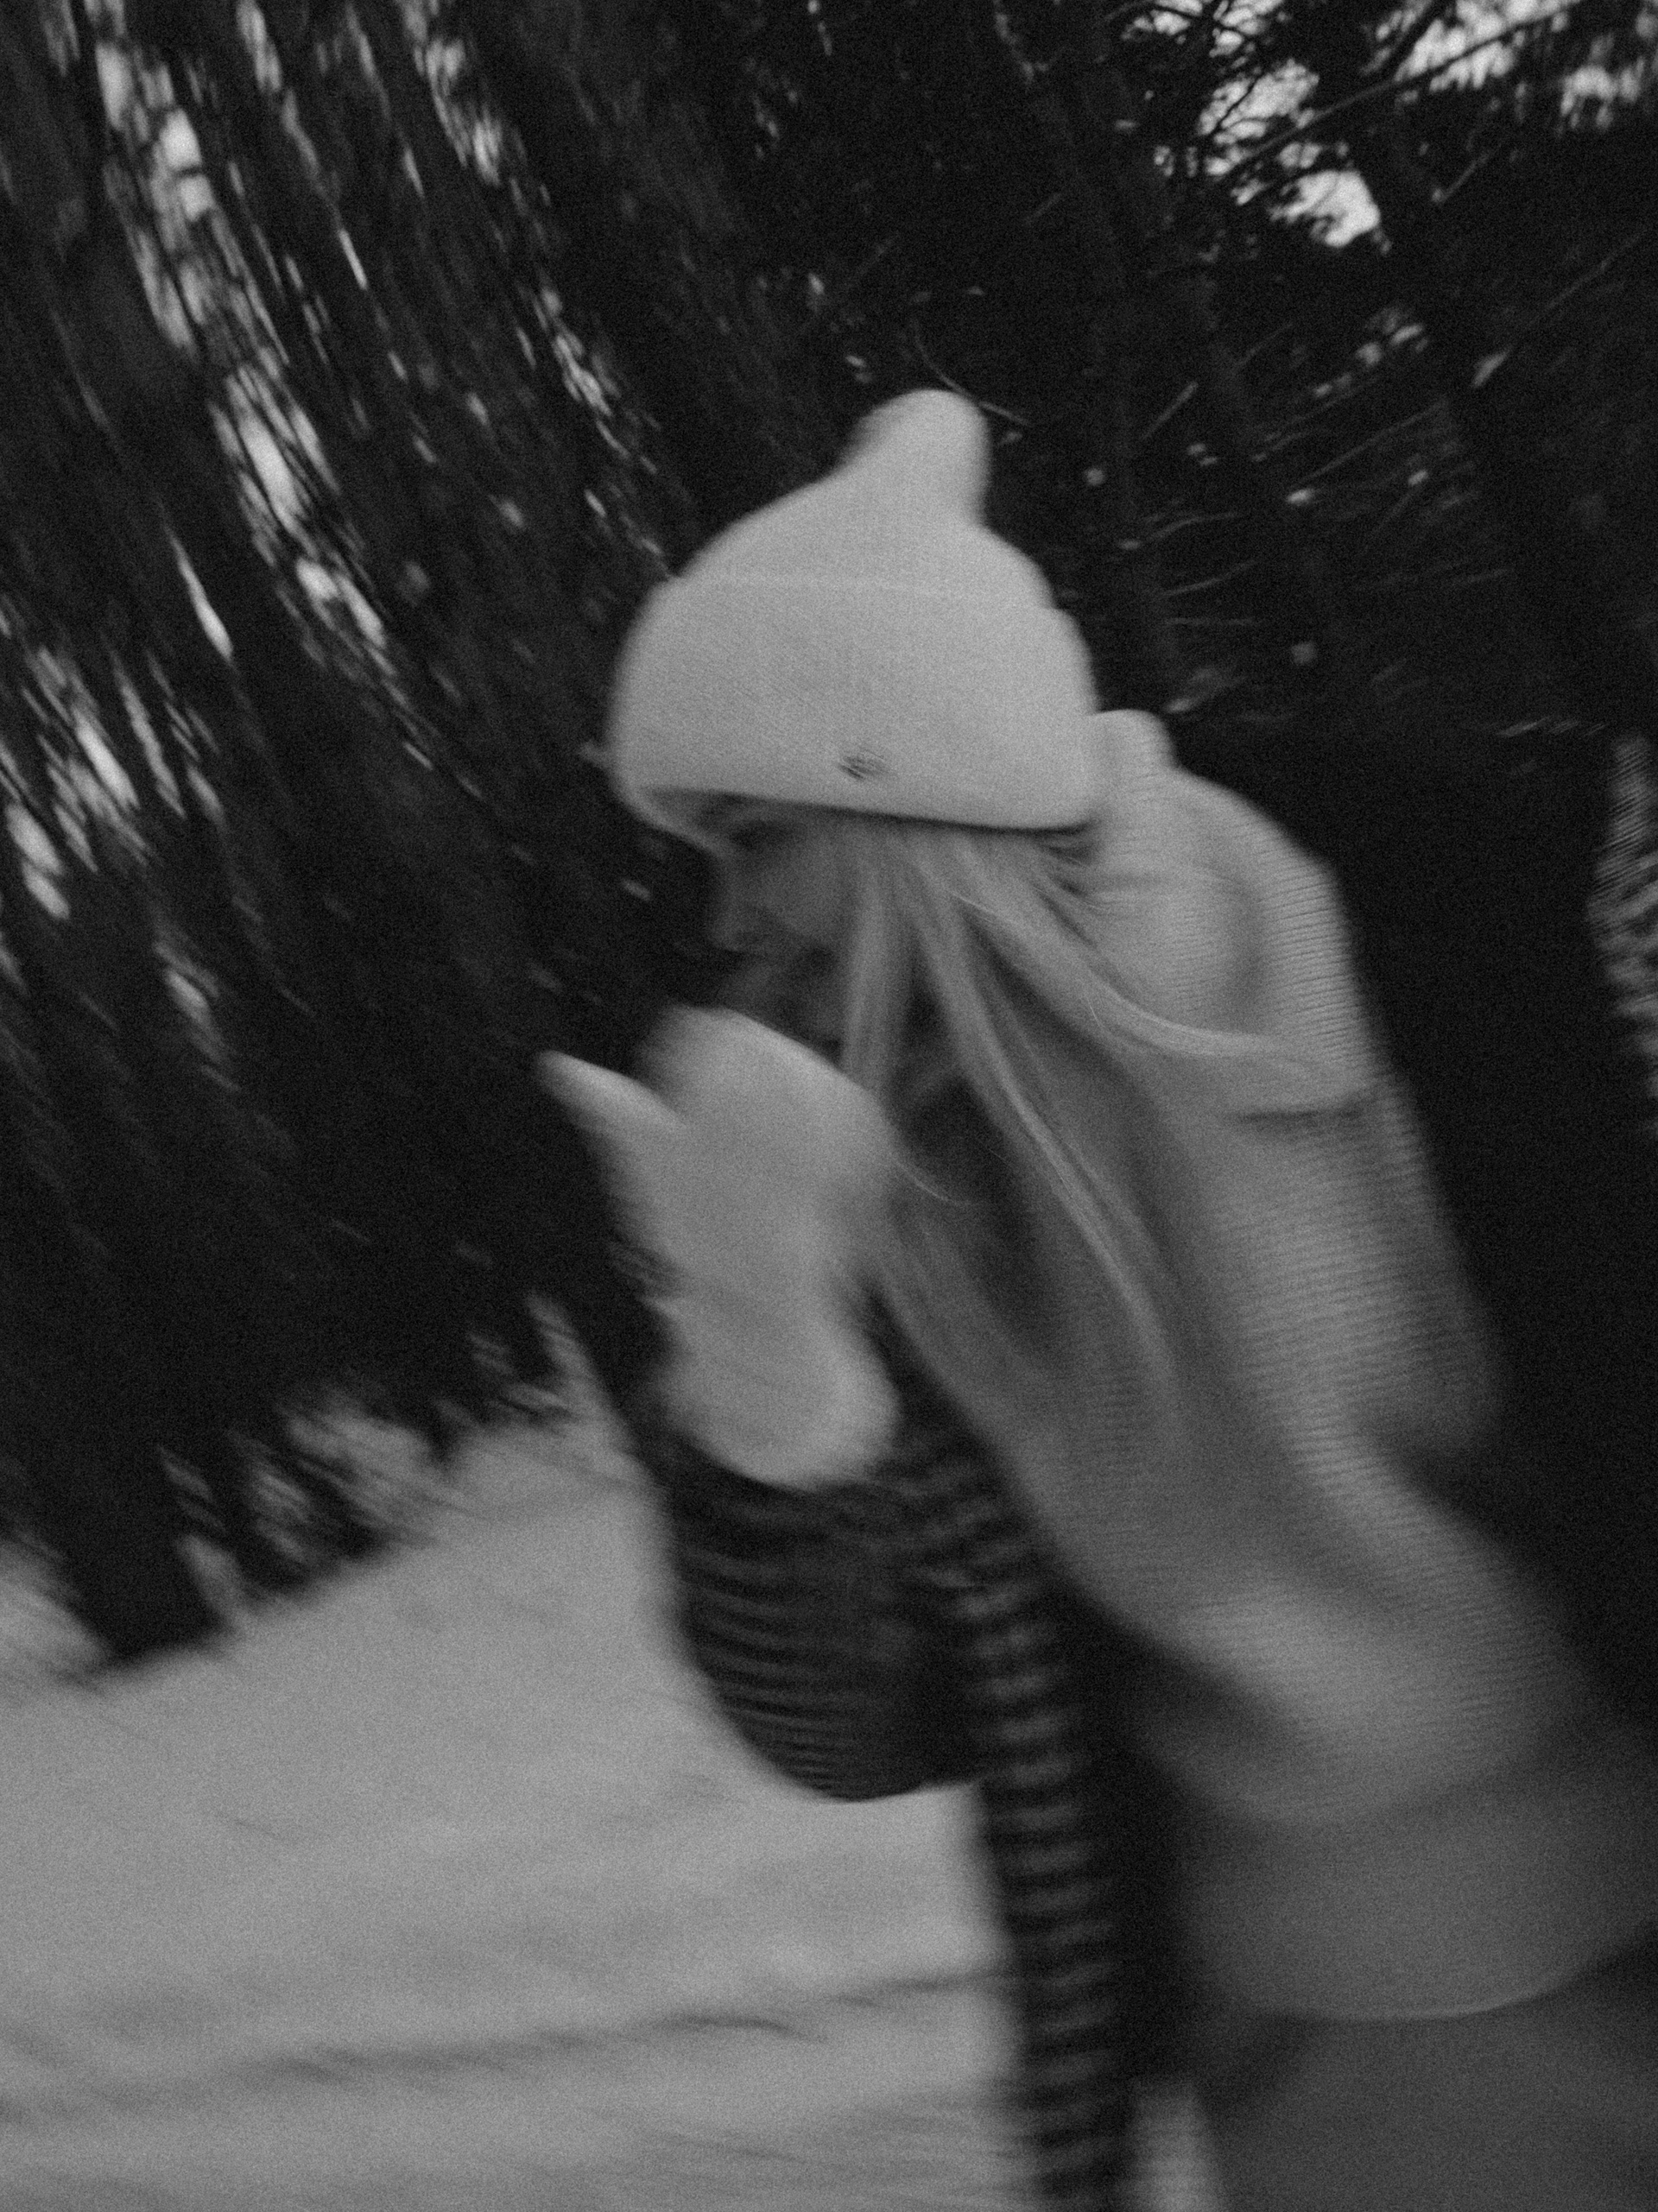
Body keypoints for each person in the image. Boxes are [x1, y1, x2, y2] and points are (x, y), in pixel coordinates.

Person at [542, 389, 1658, 2212]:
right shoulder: (856, 1157)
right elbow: (855, 1733)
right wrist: (768, 1370)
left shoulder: (1469, 914)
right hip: (1363, 2051)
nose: (727, 922)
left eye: (753, 837)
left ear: (904, 787)